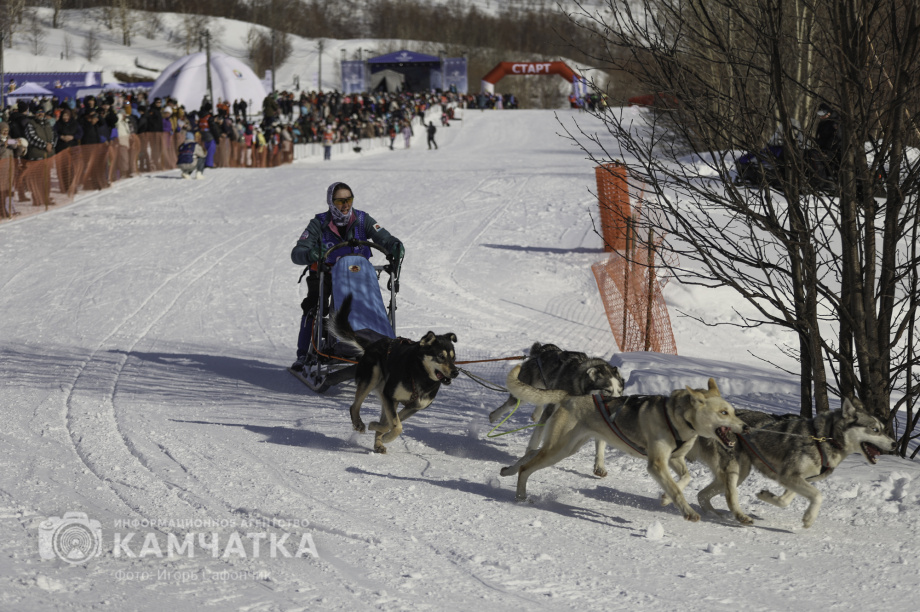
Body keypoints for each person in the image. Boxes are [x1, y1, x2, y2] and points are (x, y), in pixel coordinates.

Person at [289, 181, 404, 371]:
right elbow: (297, 253)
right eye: (340, 201)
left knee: (369, 305)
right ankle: (303, 354)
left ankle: (375, 341)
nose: (345, 205)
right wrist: (311, 255)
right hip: (326, 274)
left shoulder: (362, 220)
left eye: (349, 199)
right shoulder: (319, 223)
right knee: (313, 304)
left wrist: (394, 245)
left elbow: (383, 237)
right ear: (331, 202)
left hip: (358, 275)